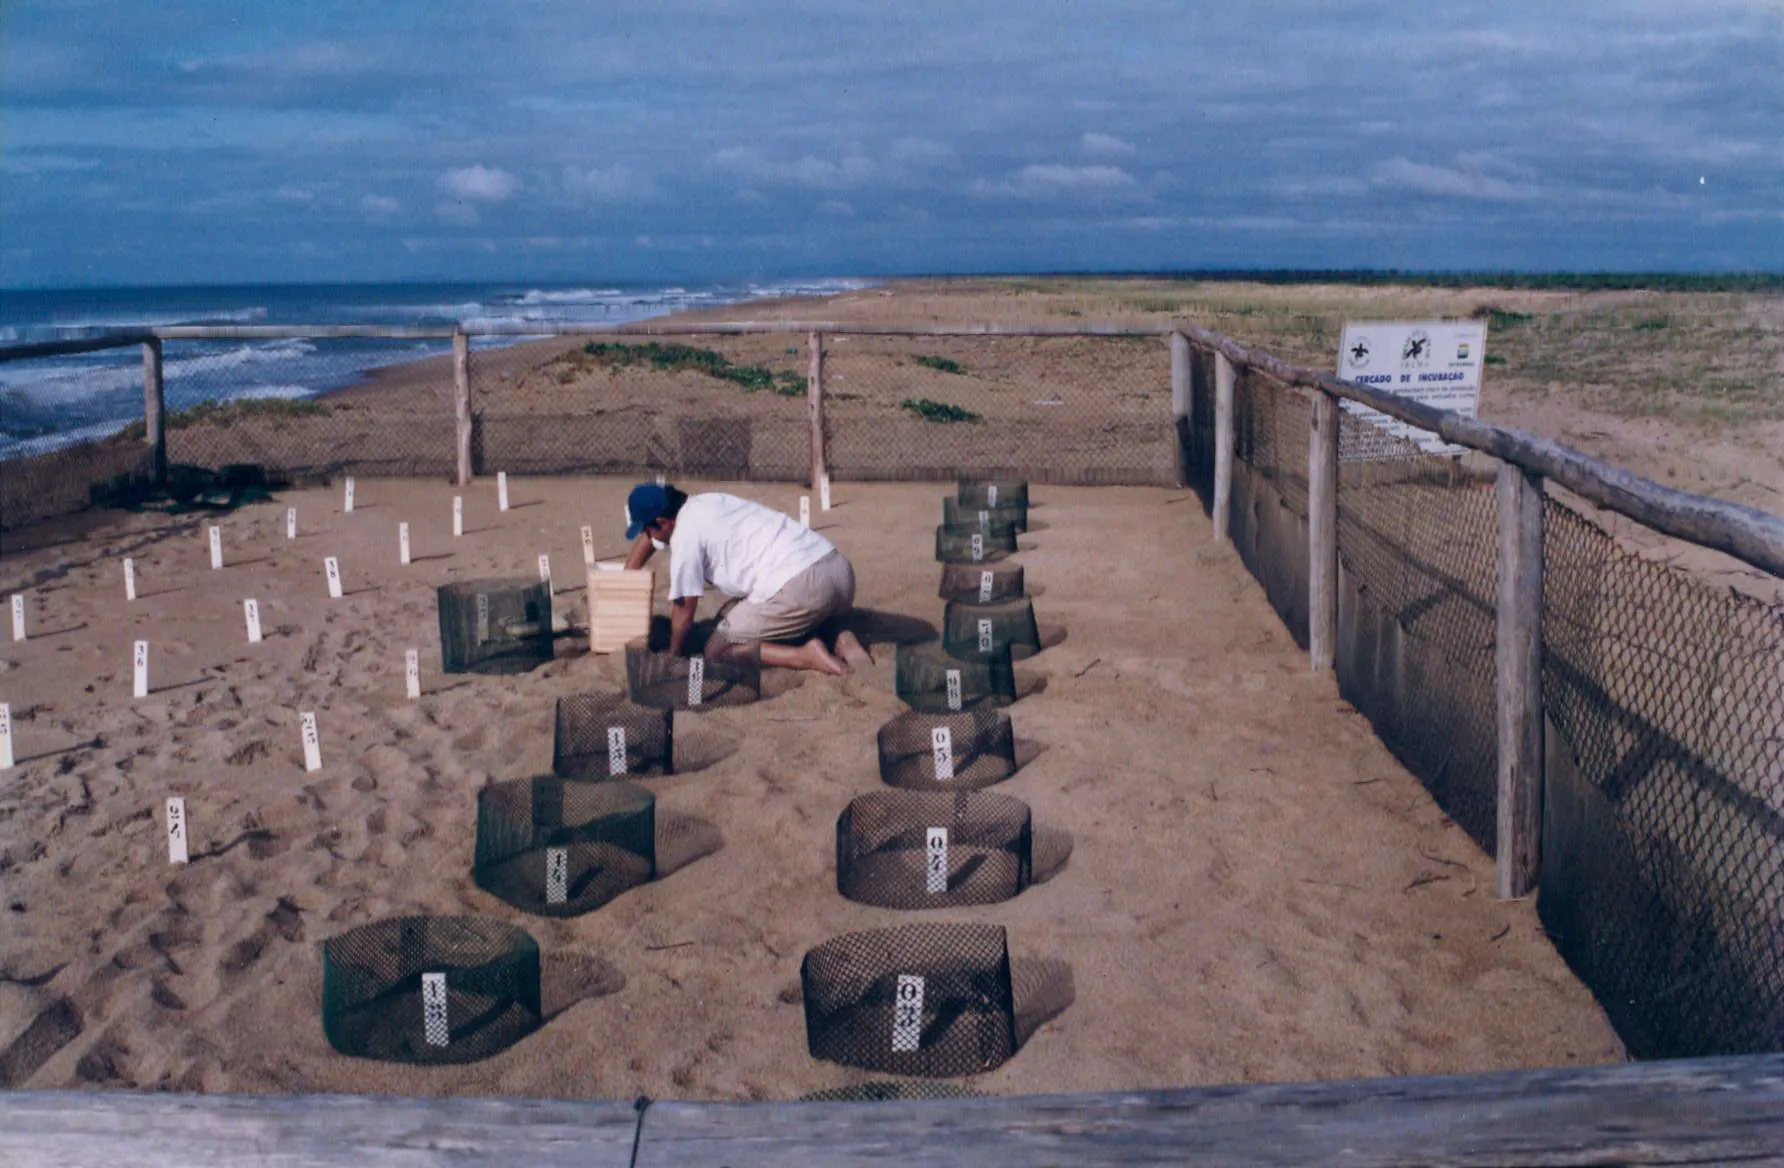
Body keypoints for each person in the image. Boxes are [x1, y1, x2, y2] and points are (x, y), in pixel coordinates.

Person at [621, 482, 872, 676]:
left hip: (801, 587)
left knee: (716, 652)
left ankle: (805, 656)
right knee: (737, 611)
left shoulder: (685, 537)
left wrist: (673, 654)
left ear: (664, 523)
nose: (645, 536)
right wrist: (627, 577)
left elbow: (684, 610)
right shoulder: (705, 502)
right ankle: (840, 636)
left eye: (646, 529)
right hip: (838, 572)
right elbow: (652, 537)